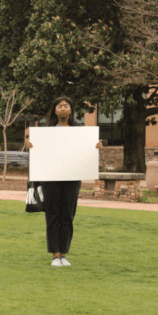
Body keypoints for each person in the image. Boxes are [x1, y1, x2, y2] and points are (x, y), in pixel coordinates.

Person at [26, 96, 102, 267]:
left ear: (71, 110)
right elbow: (39, 153)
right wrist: (31, 145)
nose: (62, 109)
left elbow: (86, 152)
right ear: (55, 110)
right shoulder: (45, 132)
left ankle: (64, 255)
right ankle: (55, 255)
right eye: (59, 106)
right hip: (50, 176)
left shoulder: (81, 131)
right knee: (53, 214)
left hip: (72, 177)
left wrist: (95, 146)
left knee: (67, 215)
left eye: (65, 106)